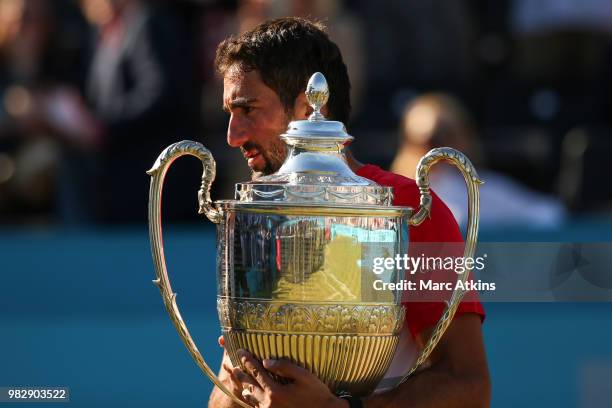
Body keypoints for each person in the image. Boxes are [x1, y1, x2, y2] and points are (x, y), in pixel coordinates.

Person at [209, 17, 490, 408]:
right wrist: (239, 384)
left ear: (309, 108)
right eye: (229, 113)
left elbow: (469, 385)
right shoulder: (254, 216)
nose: (232, 135)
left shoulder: (409, 209)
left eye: (248, 110)